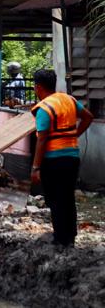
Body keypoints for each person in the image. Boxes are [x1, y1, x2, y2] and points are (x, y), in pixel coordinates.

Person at [30, 69, 95, 247]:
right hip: (72, 157)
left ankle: (60, 238)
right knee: (67, 197)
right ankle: (70, 237)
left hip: (53, 160)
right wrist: (74, 135)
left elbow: (42, 139)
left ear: (38, 87)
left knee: (55, 198)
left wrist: (35, 167)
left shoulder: (44, 108)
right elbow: (88, 117)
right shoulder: (69, 100)